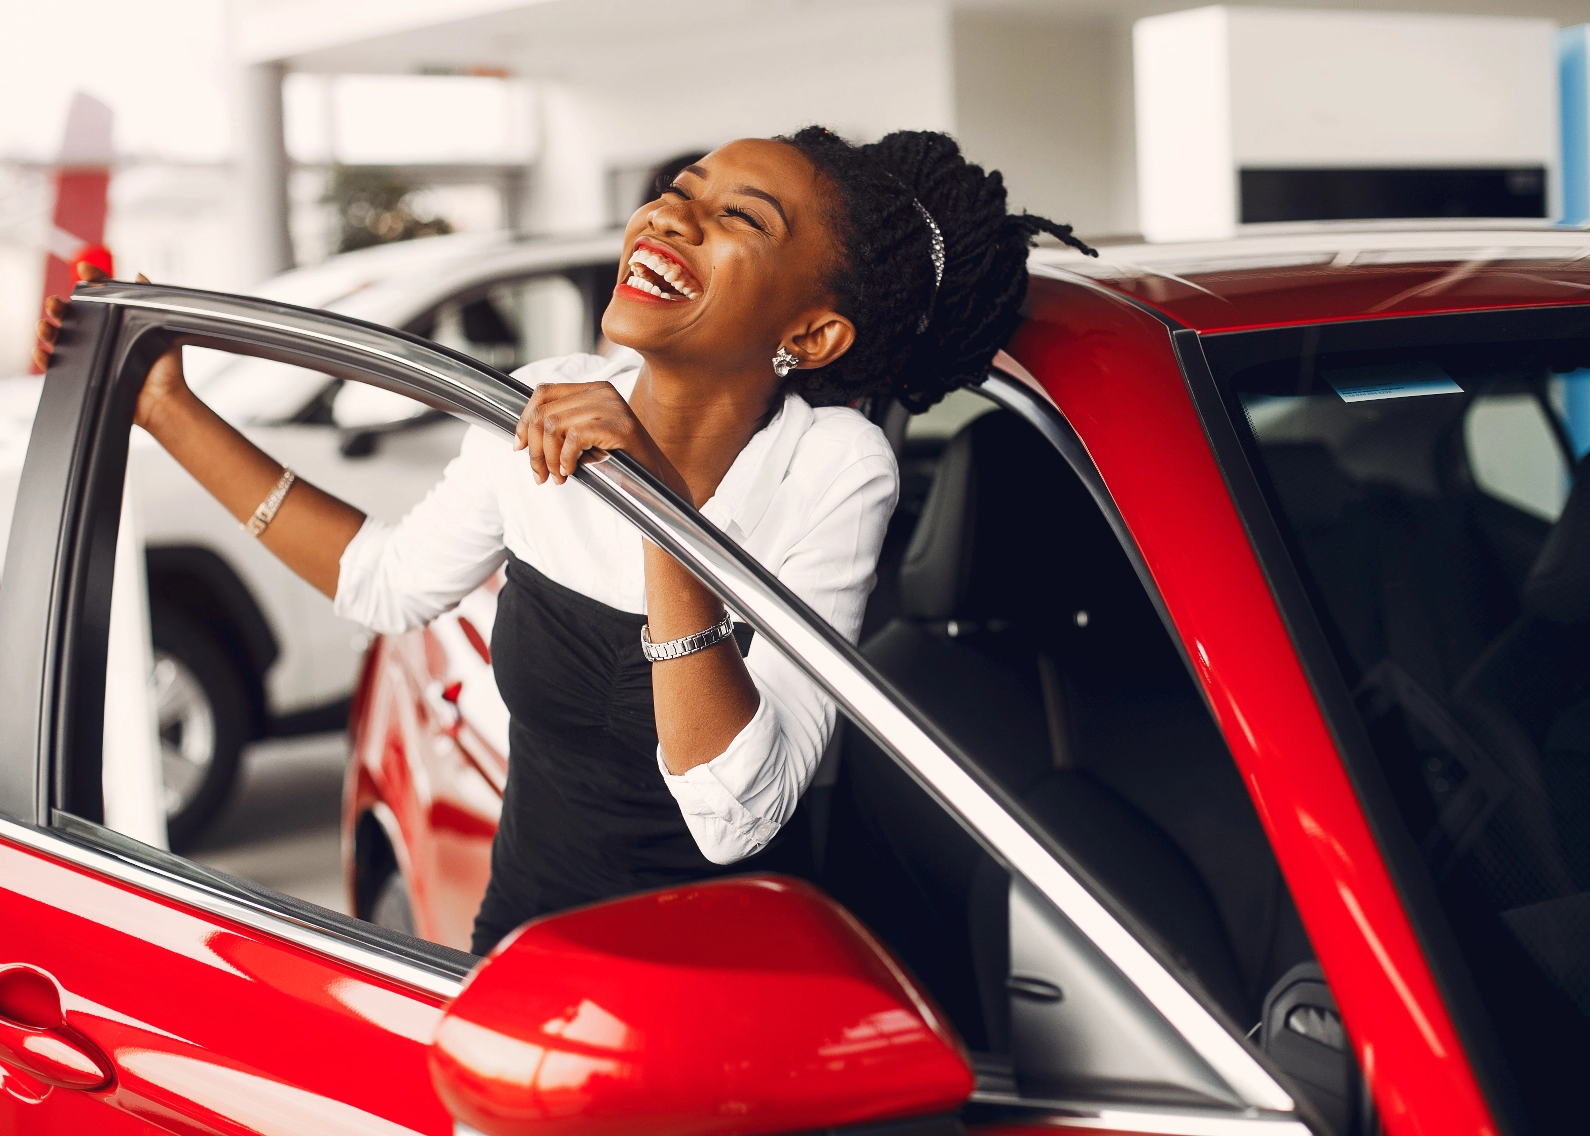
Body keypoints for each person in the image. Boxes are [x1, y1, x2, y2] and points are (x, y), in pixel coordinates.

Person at [35, 128, 1096, 955]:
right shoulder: (542, 398)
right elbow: (386, 582)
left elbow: (737, 815)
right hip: (526, 960)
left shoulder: (835, 468)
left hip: (732, 991)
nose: (670, 220)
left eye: (740, 218)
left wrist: (652, 502)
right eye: (678, 191)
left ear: (810, 335)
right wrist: (167, 408)